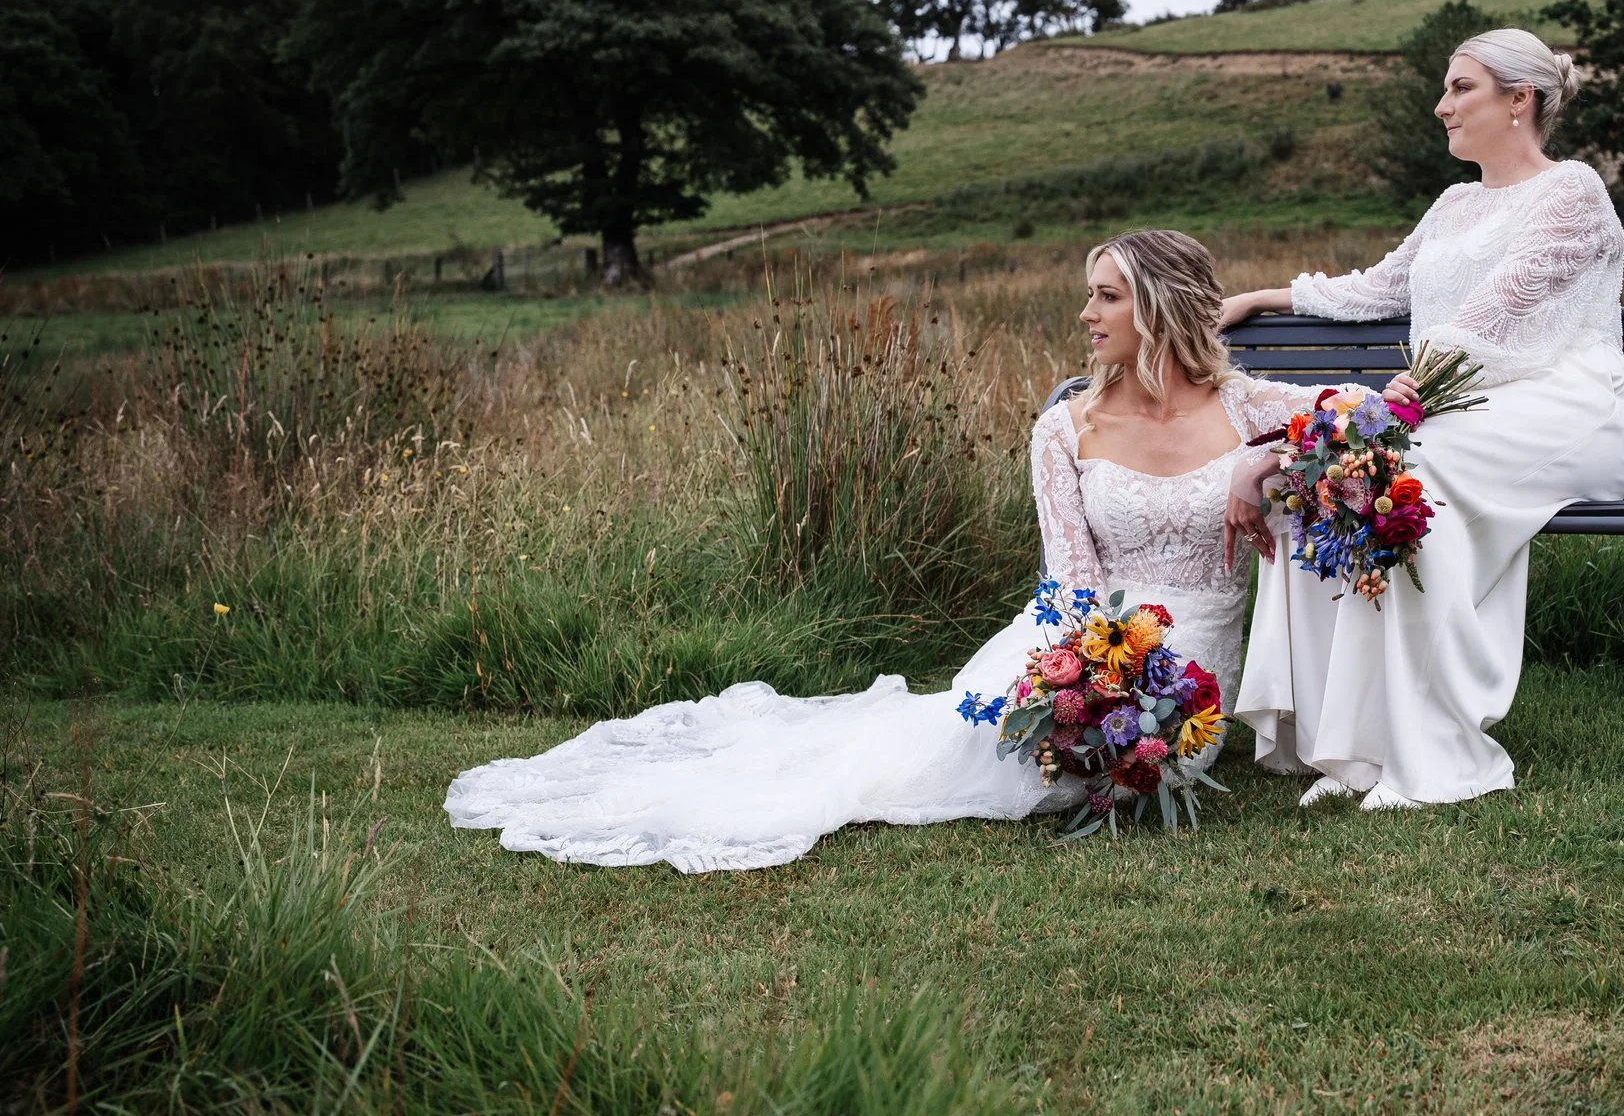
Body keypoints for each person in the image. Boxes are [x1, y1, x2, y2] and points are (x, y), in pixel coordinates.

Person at [446, 229, 1308, 872]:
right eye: (1089, 294)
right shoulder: (1065, 427)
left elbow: (1370, 415)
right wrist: (1086, 686)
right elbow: (1072, 582)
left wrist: (1262, 457)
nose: (1085, 314)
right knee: (968, 752)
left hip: (1195, 679)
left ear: (1157, 304)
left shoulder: (1245, 406)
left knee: (1148, 762)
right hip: (1084, 644)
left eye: (1108, 297)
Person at [1222, 27, 1624, 810]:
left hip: (1569, 405)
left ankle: (1431, 745)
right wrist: (1267, 296)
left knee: (1398, 473)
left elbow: (1491, 318)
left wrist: (1380, 415)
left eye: (1460, 88)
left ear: (1521, 100)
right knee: (1336, 480)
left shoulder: (1573, 191)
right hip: (1460, 400)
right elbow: (1378, 289)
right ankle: (1350, 747)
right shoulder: (1453, 204)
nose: (1441, 105)